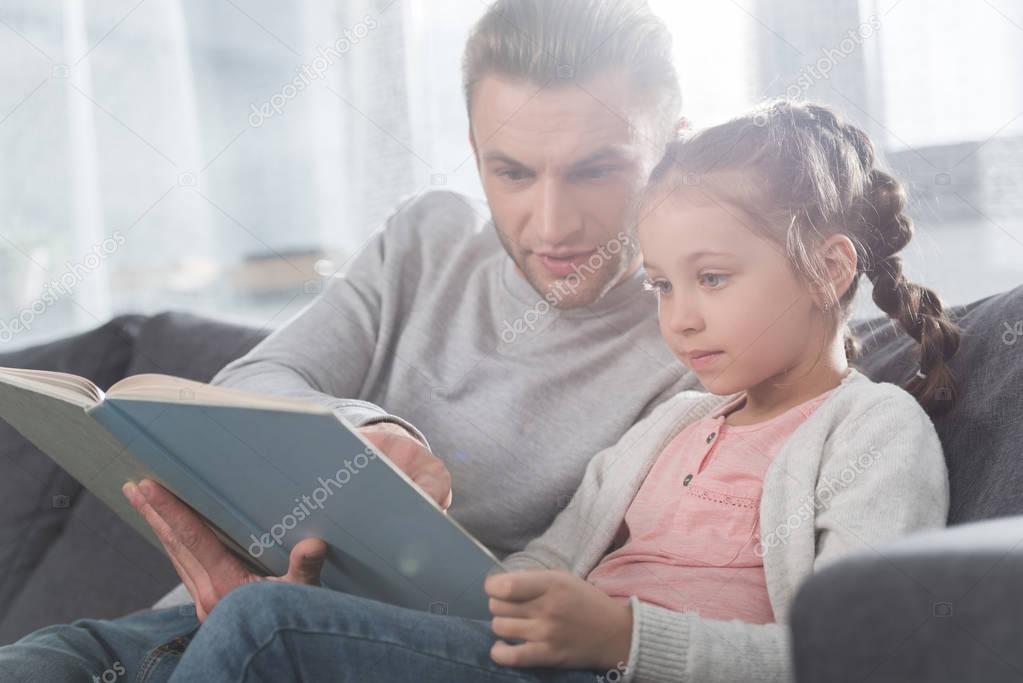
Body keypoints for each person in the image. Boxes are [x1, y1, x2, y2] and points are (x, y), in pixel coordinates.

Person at [0, 1, 701, 680]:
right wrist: (370, 433)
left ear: (673, 148)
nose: (551, 223)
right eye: (511, 171)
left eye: (595, 169)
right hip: (191, 617)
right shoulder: (429, 238)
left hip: (373, 647)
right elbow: (254, 379)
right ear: (473, 150)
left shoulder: (699, 343)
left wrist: (294, 612)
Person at [157, 100, 960, 682]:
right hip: (543, 665)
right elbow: (540, 564)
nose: (679, 319)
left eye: (710, 278)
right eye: (660, 287)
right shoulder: (673, 422)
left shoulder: (872, 431)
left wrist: (625, 635)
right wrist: (367, 608)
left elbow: (865, 655)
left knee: (263, 628)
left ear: (830, 267)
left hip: (613, 669)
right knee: (255, 621)